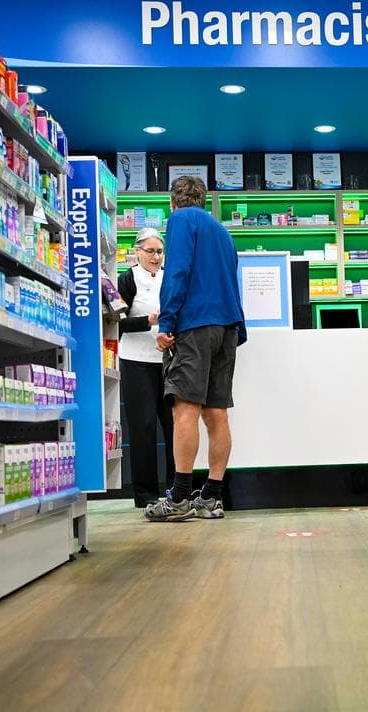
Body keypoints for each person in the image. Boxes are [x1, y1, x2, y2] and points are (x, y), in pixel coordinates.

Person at [144, 176, 246, 522]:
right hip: (227, 327)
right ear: (203, 200)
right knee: (216, 412)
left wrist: (167, 324)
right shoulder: (222, 231)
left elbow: (177, 272)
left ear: (173, 202)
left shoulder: (180, 220)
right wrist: (237, 328)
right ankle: (212, 497)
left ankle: (179, 497)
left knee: (184, 408)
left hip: (195, 326)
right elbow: (232, 277)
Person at [116, 229, 175, 507]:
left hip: (168, 360)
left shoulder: (170, 277)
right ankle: (145, 495)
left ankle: (178, 490)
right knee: (144, 428)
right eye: (150, 251)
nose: (155, 257)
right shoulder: (126, 280)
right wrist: (147, 322)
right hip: (136, 361)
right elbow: (115, 322)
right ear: (137, 251)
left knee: (175, 426)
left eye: (159, 251)